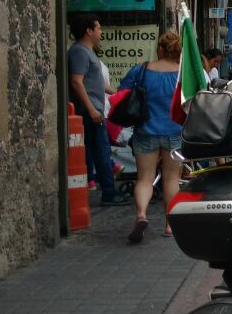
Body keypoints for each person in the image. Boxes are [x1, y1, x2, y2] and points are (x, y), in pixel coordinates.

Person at [119, 31, 184, 243]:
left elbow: (123, 92)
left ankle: (141, 214)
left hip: (145, 131)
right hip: (175, 132)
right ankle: (170, 226)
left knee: (145, 178)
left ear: (160, 49)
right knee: (171, 179)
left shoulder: (142, 70)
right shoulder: (183, 74)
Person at [68, 14, 129, 206]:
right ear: (89, 31)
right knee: (101, 151)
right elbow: (77, 82)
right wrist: (92, 109)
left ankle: (106, 190)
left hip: (94, 109)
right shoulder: (79, 51)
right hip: (90, 112)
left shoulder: (88, 51)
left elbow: (96, 84)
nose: (101, 31)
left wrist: (119, 93)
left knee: (99, 151)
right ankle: (109, 193)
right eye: (99, 28)